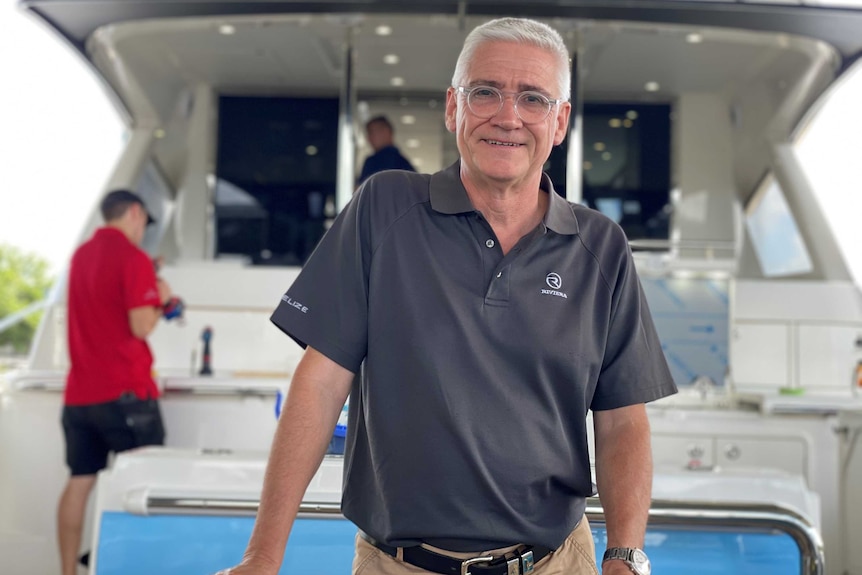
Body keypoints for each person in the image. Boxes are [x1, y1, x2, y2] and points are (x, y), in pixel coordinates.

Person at [218, 17, 676, 575]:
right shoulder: (383, 210)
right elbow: (320, 384)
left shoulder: (602, 246)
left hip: (558, 562)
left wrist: (624, 557)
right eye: (485, 92)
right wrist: (263, 556)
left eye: (533, 98)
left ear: (559, 123)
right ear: (453, 107)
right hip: (398, 566)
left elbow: (622, 420)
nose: (507, 116)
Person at [57, 189, 172, 575]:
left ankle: (68, 571)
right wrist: (161, 297)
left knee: (80, 482)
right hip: (126, 397)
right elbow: (141, 325)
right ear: (135, 213)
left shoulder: (81, 256)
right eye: (143, 224)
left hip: (79, 397)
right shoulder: (133, 258)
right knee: (146, 487)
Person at [356, 115, 416, 185]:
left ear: (386, 132)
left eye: (371, 132)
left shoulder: (374, 161)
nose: (368, 138)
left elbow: (363, 191)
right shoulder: (404, 163)